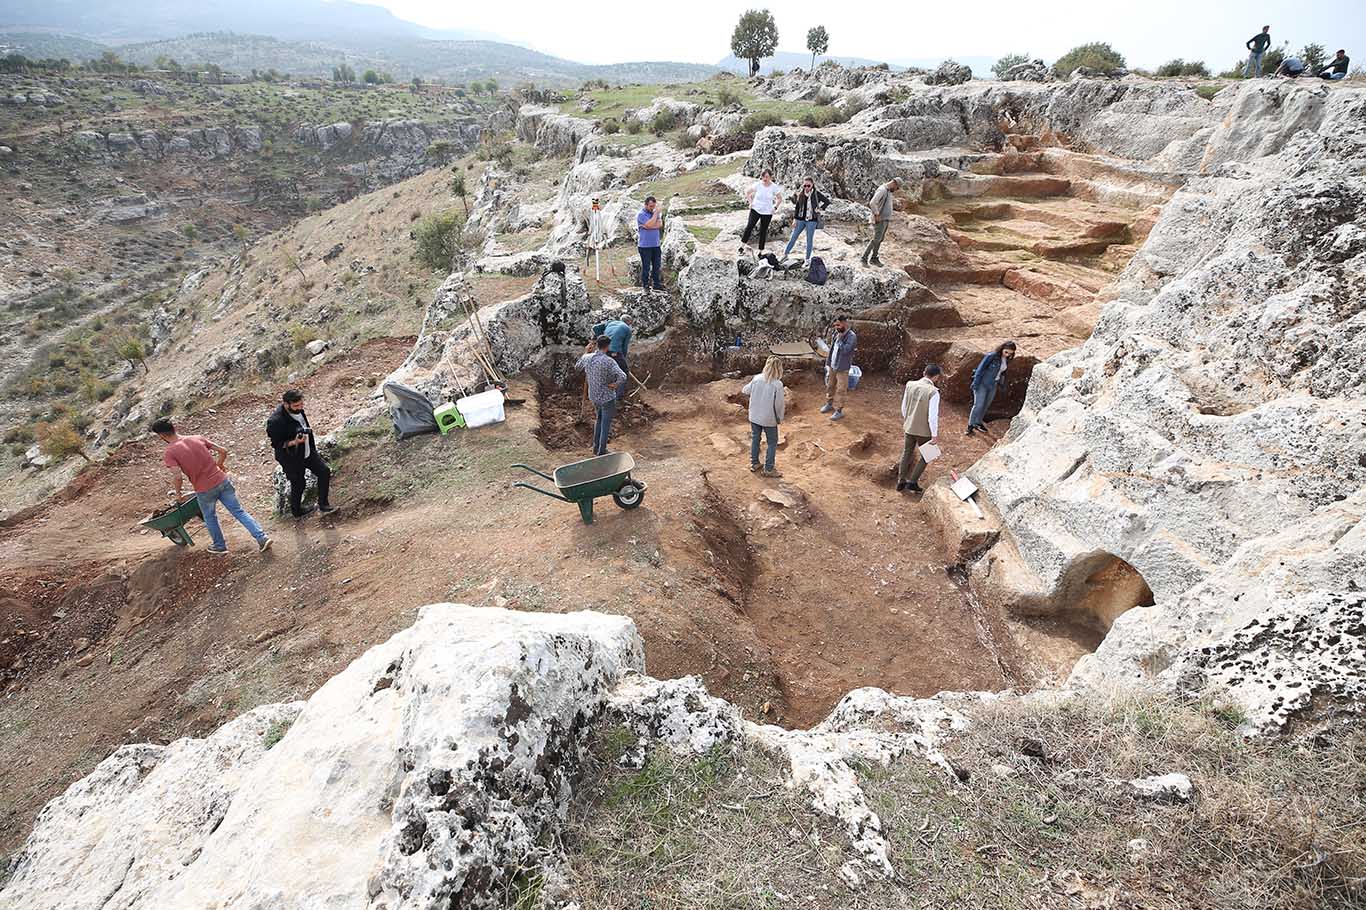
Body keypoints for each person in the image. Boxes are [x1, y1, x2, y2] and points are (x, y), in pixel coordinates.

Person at [151, 418, 271, 554]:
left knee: (210, 517)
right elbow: (223, 450)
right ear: (174, 427)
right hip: (222, 481)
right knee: (239, 511)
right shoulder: (197, 438)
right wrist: (219, 465)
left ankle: (219, 546)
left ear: (161, 435)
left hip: (204, 489)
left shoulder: (170, 452)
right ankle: (262, 538)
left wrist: (178, 495)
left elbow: (177, 476)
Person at [266, 389, 336, 518]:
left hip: (308, 452)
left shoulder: (298, 410)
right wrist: (294, 442)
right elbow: (276, 445)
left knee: (324, 472)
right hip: (290, 458)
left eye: (301, 405)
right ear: (286, 404)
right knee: (298, 483)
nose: (299, 408)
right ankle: (296, 511)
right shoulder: (275, 421)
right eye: (296, 406)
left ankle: (323, 504)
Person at [577, 335, 627, 456]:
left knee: (598, 419)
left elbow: (577, 367)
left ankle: (595, 448)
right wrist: (615, 385)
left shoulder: (587, 358)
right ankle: (602, 450)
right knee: (605, 423)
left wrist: (585, 352)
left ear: (596, 345)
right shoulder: (609, 361)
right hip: (607, 397)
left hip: (593, 396)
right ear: (608, 346)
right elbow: (623, 376)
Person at [897, 364, 943, 494]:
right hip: (925, 431)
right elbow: (932, 416)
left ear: (924, 373)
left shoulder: (910, 384)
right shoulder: (934, 392)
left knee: (907, 452)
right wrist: (934, 434)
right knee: (928, 454)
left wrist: (908, 420)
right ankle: (912, 482)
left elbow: (904, 407)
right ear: (936, 377)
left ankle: (901, 480)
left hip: (909, 426)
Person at [742, 356, 786, 477]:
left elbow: (745, 390)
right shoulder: (777, 384)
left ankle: (754, 463)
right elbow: (779, 404)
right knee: (772, 442)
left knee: (756, 439)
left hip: (755, 416)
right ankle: (768, 469)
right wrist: (780, 417)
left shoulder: (757, 378)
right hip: (768, 418)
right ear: (779, 369)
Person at [967, 340, 1017, 435]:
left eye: (1010, 353)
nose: (1007, 355)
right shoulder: (992, 356)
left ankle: (978, 422)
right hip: (982, 383)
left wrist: (1002, 384)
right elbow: (980, 369)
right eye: (1006, 352)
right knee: (978, 405)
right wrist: (975, 384)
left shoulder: (1007, 359)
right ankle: (970, 425)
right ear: (1002, 349)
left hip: (993, 384)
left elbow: (1002, 372)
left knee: (986, 405)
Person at [783, 177, 831, 264]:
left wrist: (820, 209)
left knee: (809, 240)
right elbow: (797, 208)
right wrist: (795, 219)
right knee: (793, 237)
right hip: (801, 219)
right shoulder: (801, 194)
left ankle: (807, 259)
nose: (806, 188)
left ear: (812, 185)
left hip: (812, 220)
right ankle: (785, 255)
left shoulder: (816, 194)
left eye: (808, 185)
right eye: (805, 185)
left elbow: (827, 201)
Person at [819, 314, 857, 422]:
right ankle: (829, 403)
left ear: (845, 323)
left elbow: (846, 350)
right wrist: (829, 362)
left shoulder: (851, 336)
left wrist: (840, 340)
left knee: (841, 389)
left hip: (843, 367)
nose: (836, 327)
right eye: (835, 325)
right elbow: (832, 349)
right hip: (833, 365)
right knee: (830, 385)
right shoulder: (836, 333)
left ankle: (839, 410)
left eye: (838, 325)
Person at [591, 314, 634, 400]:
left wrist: (600, 339)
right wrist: (623, 358)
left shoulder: (610, 322)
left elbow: (595, 328)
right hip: (615, 353)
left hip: (603, 351)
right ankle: (618, 398)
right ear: (629, 322)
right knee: (623, 373)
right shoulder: (627, 329)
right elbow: (624, 347)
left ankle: (603, 394)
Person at [741, 169, 783, 252]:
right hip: (755, 209)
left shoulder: (774, 187)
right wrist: (750, 203)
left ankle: (761, 251)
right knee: (749, 226)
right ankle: (742, 246)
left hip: (767, 212)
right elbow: (748, 192)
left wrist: (775, 207)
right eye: (763, 176)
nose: (765, 178)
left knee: (763, 231)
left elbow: (779, 198)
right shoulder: (758, 184)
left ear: (771, 177)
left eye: (767, 177)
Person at [861, 177, 899, 267]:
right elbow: (873, 203)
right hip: (879, 219)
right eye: (897, 188)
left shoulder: (888, 191)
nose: (896, 190)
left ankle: (874, 258)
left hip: (885, 219)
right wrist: (877, 214)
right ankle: (864, 258)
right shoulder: (882, 190)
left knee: (880, 239)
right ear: (894, 183)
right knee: (876, 239)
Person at [637, 197, 664, 292]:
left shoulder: (654, 214)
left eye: (654, 206)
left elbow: (660, 224)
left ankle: (656, 284)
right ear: (646, 205)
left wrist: (650, 225)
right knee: (646, 267)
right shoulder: (641, 214)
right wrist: (655, 215)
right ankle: (645, 285)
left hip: (656, 245)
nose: (652, 208)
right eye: (651, 206)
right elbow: (649, 224)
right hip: (645, 246)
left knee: (657, 266)